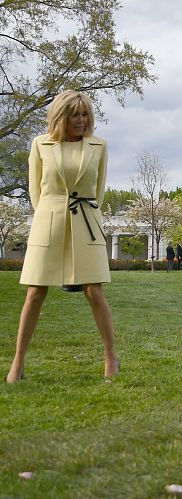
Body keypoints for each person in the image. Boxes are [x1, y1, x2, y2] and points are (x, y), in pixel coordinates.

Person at [6, 90, 118, 383]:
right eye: (74, 115)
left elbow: (99, 189)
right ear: (60, 116)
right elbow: (35, 192)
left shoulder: (99, 145)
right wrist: (51, 214)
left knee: (94, 291)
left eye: (85, 115)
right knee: (35, 293)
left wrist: (87, 213)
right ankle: (18, 362)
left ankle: (111, 357)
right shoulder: (40, 144)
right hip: (49, 221)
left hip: (87, 221)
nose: (81, 120)